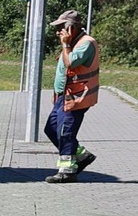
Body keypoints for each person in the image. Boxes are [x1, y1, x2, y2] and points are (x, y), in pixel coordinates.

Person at [41, 10, 100, 182]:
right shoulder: (73, 42)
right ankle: (81, 156)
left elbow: (71, 63)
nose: (58, 32)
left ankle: (67, 171)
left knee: (65, 132)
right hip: (63, 96)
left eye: (61, 27)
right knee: (51, 129)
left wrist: (66, 45)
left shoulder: (86, 43)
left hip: (76, 97)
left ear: (71, 27)